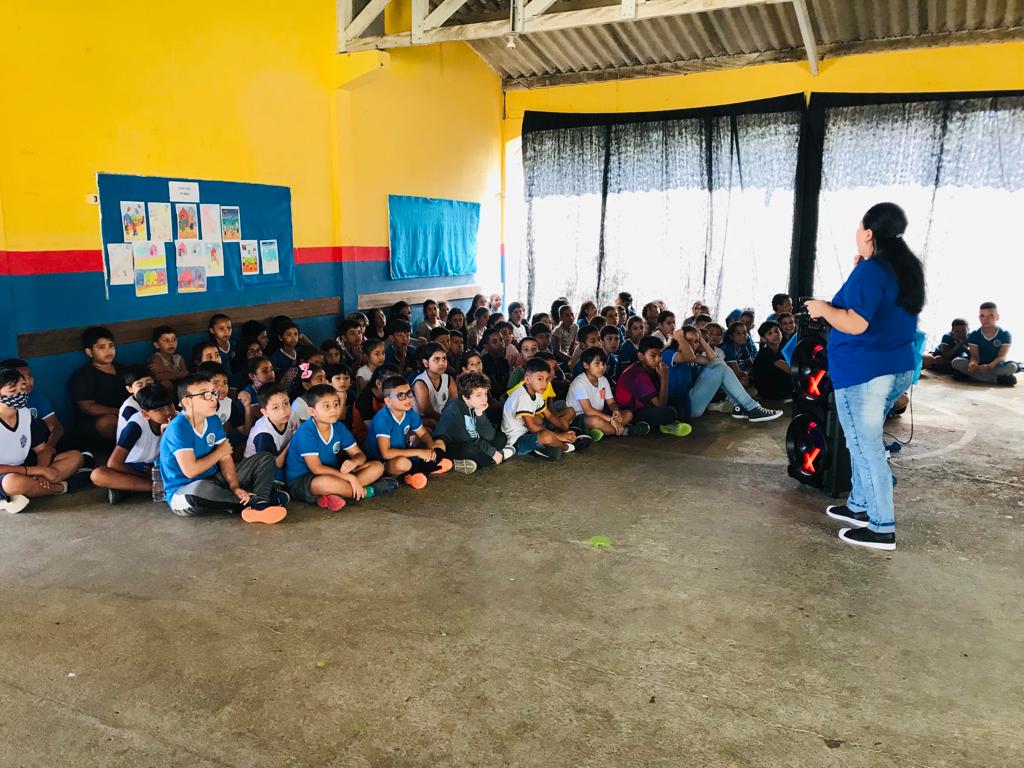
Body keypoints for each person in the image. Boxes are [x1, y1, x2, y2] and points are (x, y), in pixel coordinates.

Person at [805, 202, 925, 551]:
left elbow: (856, 323)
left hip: (867, 372)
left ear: (869, 233)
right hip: (895, 366)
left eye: (859, 229)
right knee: (860, 437)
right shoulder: (901, 268)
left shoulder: (873, 271)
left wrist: (823, 309)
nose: (857, 234)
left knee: (865, 445)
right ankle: (859, 505)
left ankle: (881, 525)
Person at [158, 374, 288, 523]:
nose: (214, 398)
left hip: (215, 479)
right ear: (187, 402)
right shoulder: (178, 427)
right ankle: (258, 502)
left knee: (265, 458)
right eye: (205, 395)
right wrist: (220, 452)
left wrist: (234, 486)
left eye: (213, 392)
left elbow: (226, 458)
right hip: (184, 490)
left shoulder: (212, 419)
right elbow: (191, 470)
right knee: (199, 489)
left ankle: (259, 503)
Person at [285, 384, 393, 510]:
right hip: (303, 480)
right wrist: (349, 477)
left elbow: (359, 455)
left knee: (377, 467)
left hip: (333, 472)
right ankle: (369, 491)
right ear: (312, 411)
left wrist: (355, 461)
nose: (333, 410)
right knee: (326, 483)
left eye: (336, 404)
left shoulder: (339, 427)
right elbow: (316, 468)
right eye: (327, 406)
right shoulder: (306, 432)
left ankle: (338, 493)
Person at [0, 367, 85, 513]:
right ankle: (61, 487)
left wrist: (40, 473)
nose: (20, 394)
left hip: (26, 467)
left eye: (23, 388)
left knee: (76, 457)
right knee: (12, 482)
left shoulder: (25, 414)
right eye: (13, 391)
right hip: (7, 474)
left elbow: (42, 449)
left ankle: (29, 490)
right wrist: (37, 470)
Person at [364, 376, 468, 489]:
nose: (408, 399)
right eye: (400, 396)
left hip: (405, 450)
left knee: (439, 443)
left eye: (409, 393)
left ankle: (427, 467)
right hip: (383, 461)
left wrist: (430, 450)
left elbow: (423, 434)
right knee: (403, 464)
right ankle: (417, 473)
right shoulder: (383, 419)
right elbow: (386, 453)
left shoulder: (409, 412)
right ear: (388, 401)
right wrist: (419, 452)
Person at [91, 383, 176, 504]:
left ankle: (128, 488)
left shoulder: (178, 419)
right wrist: (145, 477)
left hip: (162, 466)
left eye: (170, 405)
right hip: (135, 468)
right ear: (145, 414)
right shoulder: (135, 426)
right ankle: (155, 487)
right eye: (159, 409)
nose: (168, 412)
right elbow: (114, 463)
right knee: (98, 475)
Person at [501, 358, 580, 461]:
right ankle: (567, 447)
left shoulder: (537, 393)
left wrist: (566, 429)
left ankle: (547, 445)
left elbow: (549, 415)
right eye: (540, 379)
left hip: (529, 433)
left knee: (558, 427)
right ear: (528, 379)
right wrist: (561, 436)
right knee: (547, 437)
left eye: (547, 379)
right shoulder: (522, 396)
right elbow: (533, 427)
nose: (544, 383)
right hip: (517, 440)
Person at [613, 337, 692, 436]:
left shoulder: (649, 368)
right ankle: (666, 424)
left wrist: (661, 377)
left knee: (680, 400)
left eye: (660, 355)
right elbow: (660, 404)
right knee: (669, 412)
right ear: (641, 356)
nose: (658, 359)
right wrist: (664, 378)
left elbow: (658, 395)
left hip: (646, 405)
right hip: (631, 412)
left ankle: (667, 423)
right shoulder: (638, 374)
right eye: (653, 356)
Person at [435, 372, 514, 468]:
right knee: (472, 451)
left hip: (474, 441)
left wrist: (480, 415)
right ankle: (493, 457)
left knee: (501, 437)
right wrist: (492, 452)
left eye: (485, 394)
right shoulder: (454, 409)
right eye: (478, 395)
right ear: (465, 397)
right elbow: (467, 439)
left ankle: (477, 462)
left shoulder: (476, 404)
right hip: (456, 445)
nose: (484, 399)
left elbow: (489, 436)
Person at [567, 348, 649, 440]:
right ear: (586, 365)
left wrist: (616, 410)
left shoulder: (603, 380)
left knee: (628, 414)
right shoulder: (579, 383)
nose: (602, 367)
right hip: (580, 418)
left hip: (600, 414)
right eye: (597, 363)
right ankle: (626, 431)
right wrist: (611, 420)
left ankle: (602, 431)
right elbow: (588, 410)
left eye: (604, 364)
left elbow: (611, 403)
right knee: (595, 421)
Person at [69, 326, 127, 451]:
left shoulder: (123, 370)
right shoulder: (82, 375)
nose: (108, 351)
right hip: (94, 423)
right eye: (101, 347)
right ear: (89, 352)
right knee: (108, 422)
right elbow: (88, 407)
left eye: (111, 345)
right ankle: (124, 453)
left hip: (124, 414)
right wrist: (119, 412)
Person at [0, 358, 65, 450]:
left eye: (30, 376)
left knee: (74, 455)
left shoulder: (35, 396)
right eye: (21, 377)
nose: (28, 381)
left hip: (39, 446)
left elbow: (55, 426)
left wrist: (48, 449)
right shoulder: (5, 404)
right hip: (12, 452)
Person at [952, 302, 1017, 386]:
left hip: (995, 366)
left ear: (997, 317)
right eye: (982, 316)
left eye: (991, 315)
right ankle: (997, 379)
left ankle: (973, 377)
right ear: (979, 318)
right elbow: (975, 357)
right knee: (956, 362)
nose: (986, 319)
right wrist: (973, 364)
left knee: (1012, 367)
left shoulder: (1005, 334)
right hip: (979, 366)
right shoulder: (974, 334)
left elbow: (1001, 356)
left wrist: (989, 366)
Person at [243, 385, 294, 483]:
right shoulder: (263, 433)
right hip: (257, 469)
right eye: (275, 408)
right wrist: (295, 439)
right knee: (284, 475)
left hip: (281, 457)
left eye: (286, 403)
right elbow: (274, 464)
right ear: (265, 412)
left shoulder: (292, 415)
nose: (283, 411)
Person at [196, 362, 248, 445]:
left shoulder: (228, 403)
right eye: (216, 383)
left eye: (225, 382)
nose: (222, 387)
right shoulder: (194, 408)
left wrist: (247, 407)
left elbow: (245, 431)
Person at [411, 342, 456, 430]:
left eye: (444, 359)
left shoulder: (449, 379)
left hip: (443, 419)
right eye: (436, 359)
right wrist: (447, 421)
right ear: (426, 362)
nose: (442, 363)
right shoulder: (420, 382)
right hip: (423, 422)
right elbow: (427, 412)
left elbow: (454, 404)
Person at [752, 321, 793, 401]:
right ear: (763, 339)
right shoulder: (765, 353)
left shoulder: (780, 351)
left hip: (779, 387)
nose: (775, 335)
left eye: (777, 331)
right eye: (770, 333)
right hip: (770, 392)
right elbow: (789, 369)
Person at [148, 325, 189, 394]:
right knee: (166, 383)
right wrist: (179, 374)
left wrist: (166, 369)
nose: (171, 343)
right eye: (166, 340)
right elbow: (158, 377)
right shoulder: (156, 358)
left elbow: (186, 373)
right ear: (157, 345)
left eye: (174, 339)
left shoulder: (178, 358)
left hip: (180, 387)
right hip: (167, 391)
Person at [116, 366, 155, 438]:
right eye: (140, 385)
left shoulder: (155, 397)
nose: (145, 387)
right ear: (130, 389)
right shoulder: (129, 409)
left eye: (149, 383)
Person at [480, 328, 512, 405]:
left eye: (501, 340)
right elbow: (495, 389)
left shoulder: (504, 362)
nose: (500, 344)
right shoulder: (483, 363)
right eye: (494, 342)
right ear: (486, 347)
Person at [721, 321, 755, 389]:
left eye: (744, 333)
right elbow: (737, 373)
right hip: (724, 375)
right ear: (731, 337)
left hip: (737, 372)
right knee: (744, 382)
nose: (742, 336)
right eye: (738, 333)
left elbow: (751, 364)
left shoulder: (743, 347)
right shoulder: (728, 348)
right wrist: (747, 374)